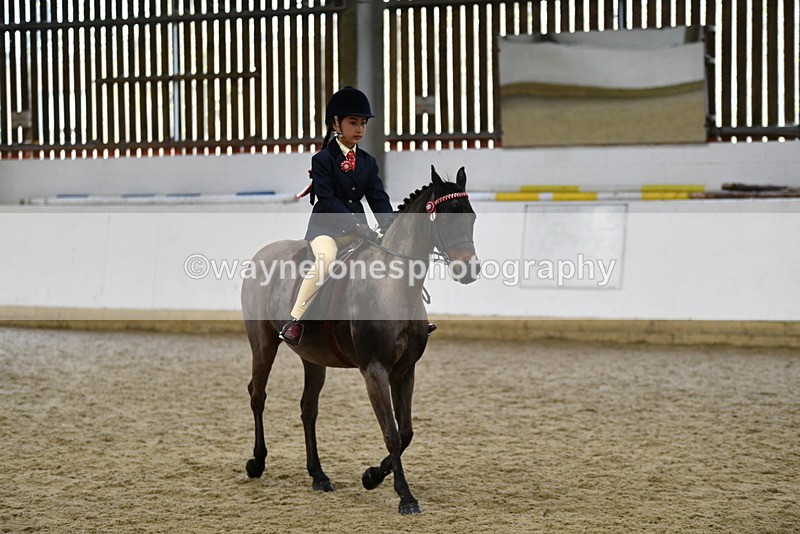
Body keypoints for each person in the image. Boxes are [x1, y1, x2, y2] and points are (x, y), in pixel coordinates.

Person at [279, 86, 393, 346]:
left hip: (360, 230)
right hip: (326, 230)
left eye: (363, 123)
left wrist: (390, 225)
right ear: (335, 123)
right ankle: (295, 320)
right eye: (353, 122)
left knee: (392, 259)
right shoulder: (323, 160)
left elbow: (377, 197)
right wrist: (356, 225)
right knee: (326, 260)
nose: (359, 129)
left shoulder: (368, 162)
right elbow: (327, 199)